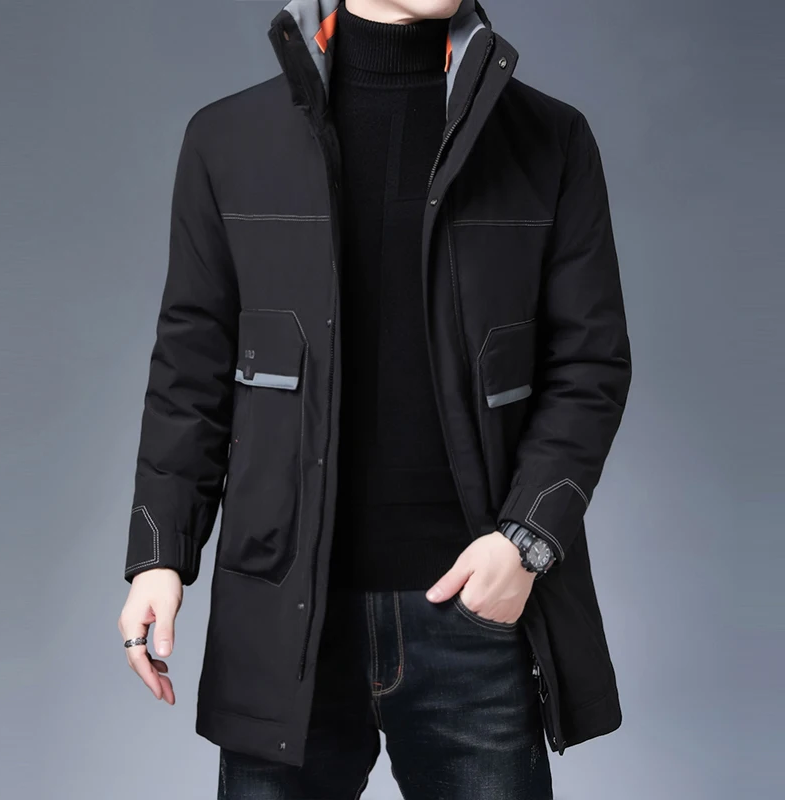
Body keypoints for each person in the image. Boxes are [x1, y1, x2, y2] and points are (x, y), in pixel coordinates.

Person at [117, 0, 632, 797]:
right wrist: (159, 557)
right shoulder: (226, 139)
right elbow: (191, 371)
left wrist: (525, 543)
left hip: (476, 613)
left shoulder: (549, 139)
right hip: (283, 618)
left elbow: (590, 365)